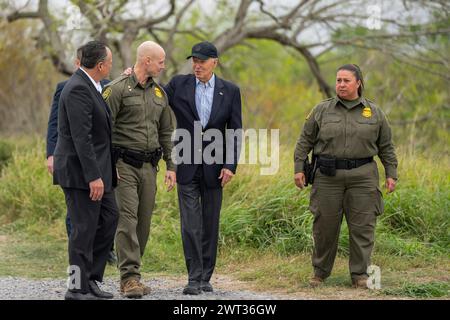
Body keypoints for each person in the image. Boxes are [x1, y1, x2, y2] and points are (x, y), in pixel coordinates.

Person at [293, 64, 398, 289]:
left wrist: (391, 174)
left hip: (363, 177)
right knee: (325, 227)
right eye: (338, 80)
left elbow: (386, 147)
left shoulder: (375, 112)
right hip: (327, 176)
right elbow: (304, 141)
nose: (340, 84)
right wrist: (299, 168)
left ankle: (360, 275)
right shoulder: (322, 110)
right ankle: (319, 273)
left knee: (363, 227)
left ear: (358, 83)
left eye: (346, 81)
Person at [165, 41, 242, 295]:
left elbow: (235, 131)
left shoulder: (230, 91)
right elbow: (153, 96)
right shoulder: (178, 84)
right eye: (194, 61)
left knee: (210, 222)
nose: (196, 65)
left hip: (215, 167)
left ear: (214, 62)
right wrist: (134, 75)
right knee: (190, 223)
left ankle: (206, 275)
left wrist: (230, 165)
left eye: (201, 61)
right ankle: (193, 277)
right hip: (185, 163)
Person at [103, 41, 176, 299]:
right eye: (160, 61)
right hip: (123, 166)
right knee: (127, 220)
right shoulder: (117, 89)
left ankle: (133, 272)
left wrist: (171, 166)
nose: (163, 65)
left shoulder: (160, 94)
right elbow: (103, 130)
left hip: (149, 167)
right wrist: (108, 165)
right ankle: (129, 278)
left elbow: (167, 132)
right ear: (146, 60)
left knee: (143, 223)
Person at [53, 40, 118, 300]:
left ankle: (91, 279)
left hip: (99, 170)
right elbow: (83, 138)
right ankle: (75, 287)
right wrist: (94, 176)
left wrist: (110, 170)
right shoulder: (78, 88)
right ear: (100, 65)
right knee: (83, 230)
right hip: (81, 174)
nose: (111, 66)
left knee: (109, 219)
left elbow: (102, 137)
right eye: (110, 62)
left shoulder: (94, 86)